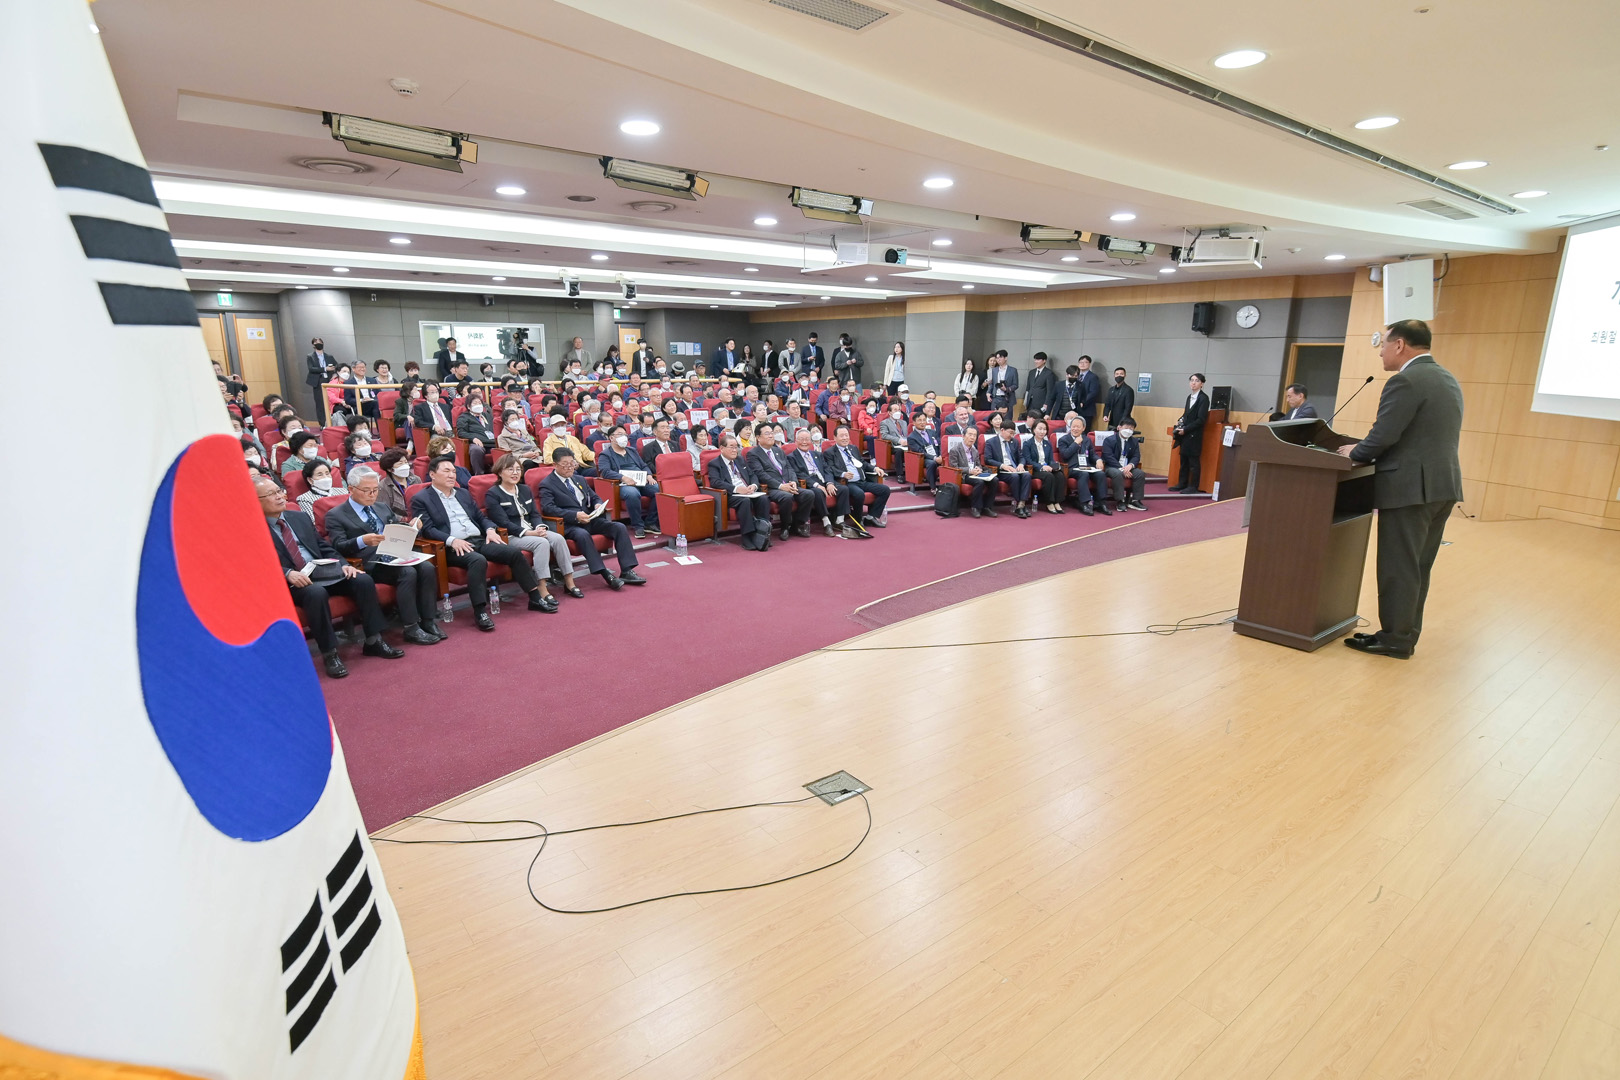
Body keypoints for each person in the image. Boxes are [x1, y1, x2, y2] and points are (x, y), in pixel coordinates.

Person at [1335, 320, 1463, 660]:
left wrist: (1356, 452)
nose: (1380, 352)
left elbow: (1385, 434)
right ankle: (1403, 634)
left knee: (1398, 567)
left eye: (1383, 344)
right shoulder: (1446, 378)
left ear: (1400, 345)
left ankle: (1394, 639)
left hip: (1409, 489)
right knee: (1417, 566)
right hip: (1442, 486)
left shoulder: (1405, 380)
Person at [255, 473, 403, 677]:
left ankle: (373, 640)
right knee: (315, 593)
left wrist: (344, 565)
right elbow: (255, 563)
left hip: (321, 570)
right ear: (255, 501)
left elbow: (324, 547)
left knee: (362, 580)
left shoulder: (298, 517)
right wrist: (287, 573)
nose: (280, 496)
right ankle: (330, 652)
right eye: (272, 494)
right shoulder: (253, 529)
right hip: (290, 581)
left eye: (279, 491)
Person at [411, 457, 548, 630]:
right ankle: (480, 611)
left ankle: (535, 597)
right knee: (477, 560)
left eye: (453, 471)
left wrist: (490, 529)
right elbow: (428, 529)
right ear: (432, 474)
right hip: (452, 546)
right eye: (446, 471)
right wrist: (452, 540)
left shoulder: (462, 493)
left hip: (479, 539)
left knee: (513, 552)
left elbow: (480, 517)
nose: (452, 475)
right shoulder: (421, 498)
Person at [323, 465, 444, 645]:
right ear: (351, 489)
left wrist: (411, 527)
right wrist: (362, 541)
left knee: (426, 567)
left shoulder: (381, 507)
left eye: (375, 490)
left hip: (395, 554)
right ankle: (411, 627)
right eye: (367, 490)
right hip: (370, 563)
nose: (372, 495)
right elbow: (338, 546)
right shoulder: (336, 515)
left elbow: (394, 529)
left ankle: (428, 620)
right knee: (407, 572)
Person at [538, 448, 646, 589]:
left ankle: (627, 570)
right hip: (570, 524)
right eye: (565, 464)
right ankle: (605, 573)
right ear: (555, 465)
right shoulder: (547, 484)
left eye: (572, 463)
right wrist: (575, 515)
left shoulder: (579, 479)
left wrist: (597, 504)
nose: (570, 467)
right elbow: (548, 508)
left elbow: (594, 497)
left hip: (589, 519)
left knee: (619, 527)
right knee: (582, 534)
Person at [481, 455, 573, 609]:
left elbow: (535, 514)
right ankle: (541, 587)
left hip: (532, 531)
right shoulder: (493, 494)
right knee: (541, 543)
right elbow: (503, 523)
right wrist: (530, 533)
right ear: (500, 472)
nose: (515, 473)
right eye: (510, 469)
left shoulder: (524, 489)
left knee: (558, 538)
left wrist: (539, 527)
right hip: (511, 536)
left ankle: (569, 582)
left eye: (518, 469)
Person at [746, 423, 815, 541]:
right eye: (767, 433)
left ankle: (798, 524)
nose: (771, 436)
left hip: (788, 484)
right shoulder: (753, 454)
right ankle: (785, 527)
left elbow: (789, 468)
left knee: (809, 494)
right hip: (772, 488)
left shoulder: (778, 450)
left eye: (772, 433)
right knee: (786, 496)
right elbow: (761, 474)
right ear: (758, 437)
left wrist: (793, 481)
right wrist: (781, 486)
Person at [708, 433, 772, 550]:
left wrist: (753, 486)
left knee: (763, 499)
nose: (734, 450)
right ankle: (747, 536)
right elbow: (715, 482)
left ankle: (763, 533)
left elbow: (752, 475)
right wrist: (736, 489)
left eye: (736, 447)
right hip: (730, 494)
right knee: (745, 502)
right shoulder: (714, 464)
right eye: (731, 447)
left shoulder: (740, 460)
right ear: (722, 448)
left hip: (748, 491)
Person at [596, 424, 661, 538]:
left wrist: (649, 476)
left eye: (625, 435)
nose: (624, 437)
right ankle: (638, 526)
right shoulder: (605, 454)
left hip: (641, 479)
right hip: (623, 483)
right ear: (611, 438)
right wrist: (623, 477)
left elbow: (643, 465)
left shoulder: (632, 450)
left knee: (658, 490)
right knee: (632, 493)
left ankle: (650, 522)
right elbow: (605, 472)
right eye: (620, 434)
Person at [789, 427, 852, 538]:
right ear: (796, 441)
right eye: (801, 439)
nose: (804, 442)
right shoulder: (792, 457)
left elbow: (827, 469)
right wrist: (817, 485)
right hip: (809, 483)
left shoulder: (817, 454)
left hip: (823, 480)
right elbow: (799, 474)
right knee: (818, 492)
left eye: (807, 439)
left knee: (843, 489)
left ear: (811, 441)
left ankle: (839, 520)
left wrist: (829, 483)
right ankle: (826, 522)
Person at [825, 423, 889, 529]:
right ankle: (858, 519)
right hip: (847, 483)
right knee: (859, 494)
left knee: (885, 490)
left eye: (846, 435)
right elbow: (830, 468)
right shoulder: (830, 452)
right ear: (835, 438)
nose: (845, 438)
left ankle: (870, 517)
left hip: (861, 480)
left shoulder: (853, 448)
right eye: (841, 436)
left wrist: (875, 468)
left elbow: (862, 463)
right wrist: (843, 474)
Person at [1058, 416, 1110, 516]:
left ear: (1083, 428)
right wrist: (1075, 443)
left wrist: (1098, 460)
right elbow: (1065, 455)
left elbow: (1092, 454)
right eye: (1073, 426)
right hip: (1072, 468)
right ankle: (1084, 503)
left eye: (1078, 427)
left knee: (1101, 474)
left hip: (1087, 467)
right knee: (1083, 474)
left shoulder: (1087, 440)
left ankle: (1101, 503)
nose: (1075, 429)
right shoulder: (1063, 440)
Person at [1169, 373, 1210, 493]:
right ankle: (1182, 483)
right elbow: (1186, 414)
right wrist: (1180, 421)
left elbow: (1201, 419)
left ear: (1202, 384)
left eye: (1197, 381)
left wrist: (1186, 429)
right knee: (1184, 460)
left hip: (1194, 434)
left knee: (1193, 462)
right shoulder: (1189, 397)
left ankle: (1193, 486)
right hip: (1185, 434)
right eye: (1192, 380)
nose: (1193, 383)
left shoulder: (1203, 398)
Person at [985, 417, 1033, 517]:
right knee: (1015, 477)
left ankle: (1021, 504)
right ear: (1002, 430)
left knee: (1027, 475)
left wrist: (1021, 464)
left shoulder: (1014, 441)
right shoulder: (991, 442)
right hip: (1002, 470)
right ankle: (1020, 504)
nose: (1011, 436)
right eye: (1010, 433)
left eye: (1013, 433)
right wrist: (1003, 466)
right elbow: (988, 459)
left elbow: (1021, 457)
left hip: (1015, 468)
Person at [947, 426, 996, 517]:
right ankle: (975, 507)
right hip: (963, 475)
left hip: (975, 474)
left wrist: (979, 469)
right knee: (979, 482)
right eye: (970, 435)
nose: (972, 437)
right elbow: (954, 467)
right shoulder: (955, 450)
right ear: (963, 436)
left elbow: (978, 464)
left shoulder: (975, 451)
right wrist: (970, 471)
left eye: (974, 435)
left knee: (994, 480)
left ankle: (987, 507)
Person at [1100, 416, 1147, 511]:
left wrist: (1130, 465)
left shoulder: (1134, 441)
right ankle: (1120, 500)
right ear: (1119, 427)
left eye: (1131, 429)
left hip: (1128, 467)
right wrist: (1121, 468)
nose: (1128, 431)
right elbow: (1108, 457)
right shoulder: (1109, 440)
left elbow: (1136, 456)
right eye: (1126, 428)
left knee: (1140, 473)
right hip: (1112, 467)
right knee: (1118, 474)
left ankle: (1135, 500)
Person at [1024, 418, 1066, 514]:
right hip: (1035, 470)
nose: (1042, 432)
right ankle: (1049, 502)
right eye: (1040, 429)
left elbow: (1050, 459)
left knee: (1060, 475)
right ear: (1034, 429)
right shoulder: (1028, 444)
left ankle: (1057, 502)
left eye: (1044, 429)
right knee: (1049, 476)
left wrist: (1053, 466)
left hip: (1047, 468)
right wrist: (1041, 467)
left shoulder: (1047, 444)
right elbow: (1028, 460)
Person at [455, 392, 496, 474]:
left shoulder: (487, 415)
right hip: (477, 443)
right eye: (475, 403)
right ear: (469, 406)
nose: (478, 405)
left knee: (503, 447)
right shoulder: (463, 417)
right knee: (476, 449)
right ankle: (479, 474)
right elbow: (461, 432)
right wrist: (473, 438)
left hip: (491, 442)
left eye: (479, 403)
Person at [376, 448, 421, 517]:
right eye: (400, 464)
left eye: (406, 462)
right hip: (400, 521)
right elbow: (384, 511)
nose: (405, 466)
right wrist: (404, 519)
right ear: (390, 469)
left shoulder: (416, 479)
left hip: (419, 516)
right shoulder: (383, 486)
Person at [906, 410, 942, 489]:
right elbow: (920, 451)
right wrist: (934, 458)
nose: (922, 422)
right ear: (914, 423)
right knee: (932, 463)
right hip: (924, 458)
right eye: (919, 420)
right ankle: (933, 488)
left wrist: (941, 456)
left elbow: (939, 444)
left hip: (937, 456)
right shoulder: (911, 437)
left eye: (924, 420)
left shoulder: (932, 432)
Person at [304, 337, 335, 423]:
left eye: (320, 342)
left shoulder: (329, 356)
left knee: (331, 401)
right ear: (313, 345)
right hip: (318, 381)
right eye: (316, 342)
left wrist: (334, 373)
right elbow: (311, 368)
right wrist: (325, 369)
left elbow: (336, 366)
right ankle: (322, 423)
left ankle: (332, 421)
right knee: (320, 403)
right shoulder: (310, 356)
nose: (319, 344)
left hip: (329, 380)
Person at [1023, 352, 1059, 419]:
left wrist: (1046, 404)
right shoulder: (1031, 372)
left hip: (1041, 404)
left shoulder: (1049, 373)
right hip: (1030, 402)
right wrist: (1025, 401)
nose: (1036, 361)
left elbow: (1050, 391)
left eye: (1038, 359)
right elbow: (1028, 388)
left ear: (1044, 361)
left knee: (1039, 421)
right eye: (1035, 359)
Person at [1074, 355, 1103, 430]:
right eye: (1081, 362)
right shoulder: (1075, 376)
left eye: (1085, 362)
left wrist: (1083, 402)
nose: (1082, 364)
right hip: (1075, 408)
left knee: (1084, 430)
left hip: (1086, 409)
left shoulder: (1093, 377)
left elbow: (1093, 392)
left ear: (1089, 364)